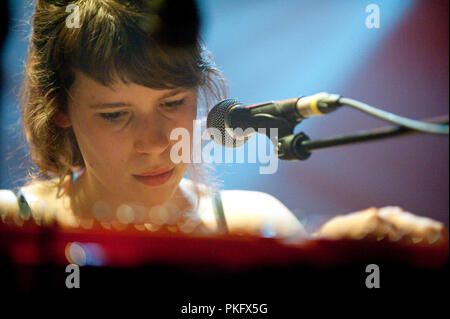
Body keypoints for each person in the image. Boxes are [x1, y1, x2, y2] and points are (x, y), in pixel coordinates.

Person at [0, 0, 446, 245]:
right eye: (115, 115)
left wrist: (327, 250)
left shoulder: (254, 222)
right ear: (59, 107)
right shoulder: (12, 222)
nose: (157, 143)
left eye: (173, 103)